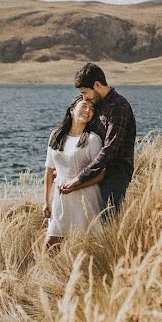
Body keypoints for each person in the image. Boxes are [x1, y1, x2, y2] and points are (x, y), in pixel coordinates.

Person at [59, 63, 136, 220]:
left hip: (114, 175)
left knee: (107, 222)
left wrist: (79, 178)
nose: (84, 98)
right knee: (86, 221)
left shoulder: (118, 106)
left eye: (85, 93)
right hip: (93, 173)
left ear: (97, 85)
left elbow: (110, 149)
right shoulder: (96, 104)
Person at [44, 96, 106, 247]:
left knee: (85, 244)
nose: (88, 111)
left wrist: (74, 186)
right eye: (84, 106)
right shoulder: (56, 135)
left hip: (85, 197)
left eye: (92, 109)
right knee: (51, 243)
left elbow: (100, 174)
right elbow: (49, 169)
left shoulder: (92, 139)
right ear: (72, 110)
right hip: (61, 198)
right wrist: (46, 201)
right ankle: (45, 271)